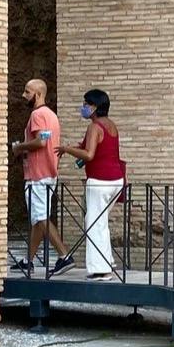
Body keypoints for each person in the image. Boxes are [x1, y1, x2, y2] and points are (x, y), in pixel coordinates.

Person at [10, 78, 72, 276]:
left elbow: (40, 142)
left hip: (37, 175)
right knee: (38, 218)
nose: (23, 95)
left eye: (27, 92)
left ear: (37, 94)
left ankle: (64, 256)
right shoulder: (51, 115)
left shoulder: (37, 115)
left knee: (42, 217)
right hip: (49, 172)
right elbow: (44, 140)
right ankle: (28, 260)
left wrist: (19, 147)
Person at [62, 88, 124, 278]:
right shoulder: (111, 125)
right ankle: (108, 262)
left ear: (95, 106)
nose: (83, 108)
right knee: (100, 220)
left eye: (86, 104)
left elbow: (89, 154)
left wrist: (66, 148)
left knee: (93, 221)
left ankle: (100, 269)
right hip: (117, 180)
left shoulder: (94, 126)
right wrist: (71, 148)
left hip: (100, 181)